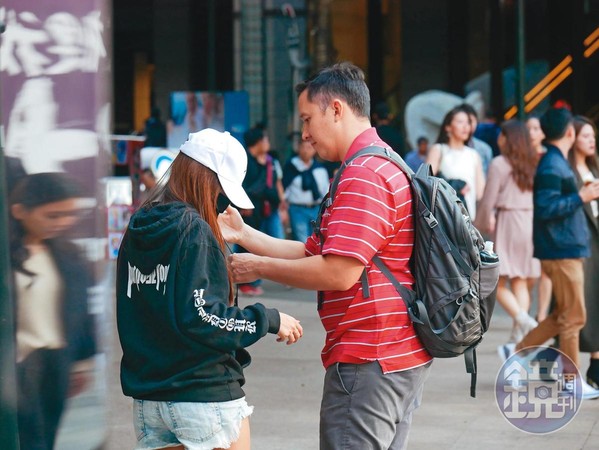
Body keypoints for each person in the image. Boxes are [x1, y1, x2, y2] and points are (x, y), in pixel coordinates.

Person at [221, 62, 432, 449]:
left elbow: (338, 272)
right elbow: (314, 251)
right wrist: (245, 235)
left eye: (307, 119)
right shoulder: (379, 161)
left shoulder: (363, 174)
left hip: (370, 353)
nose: (304, 134)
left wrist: (256, 268)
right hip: (392, 350)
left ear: (335, 109)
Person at [116, 129, 303, 450]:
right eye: (222, 191)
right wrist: (268, 319)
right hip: (203, 395)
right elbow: (203, 316)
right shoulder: (194, 232)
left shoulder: (141, 226)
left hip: (149, 400)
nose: (222, 202)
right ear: (209, 182)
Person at [500, 108, 599, 399]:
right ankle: (571, 380)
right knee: (573, 318)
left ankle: (517, 355)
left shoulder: (555, 163)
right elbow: (546, 209)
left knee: (562, 316)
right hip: (561, 250)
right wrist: (582, 196)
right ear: (569, 132)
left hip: (566, 248)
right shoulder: (553, 166)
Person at [9, 173, 97, 450]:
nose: (62, 223)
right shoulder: (7, 257)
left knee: (47, 438)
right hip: (17, 367)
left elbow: (80, 311)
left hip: (56, 362)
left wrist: (82, 361)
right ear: (19, 211)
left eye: (68, 215)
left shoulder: (67, 254)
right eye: (53, 215)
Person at [475, 120, 539, 346]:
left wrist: (480, 222)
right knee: (519, 280)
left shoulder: (500, 163)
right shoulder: (532, 161)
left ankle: (523, 320)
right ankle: (519, 334)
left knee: (498, 282)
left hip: (509, 221)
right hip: (529, 221)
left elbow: (489, 198)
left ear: (508, 138)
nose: (499, 139)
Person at [567, 116, 599, 389]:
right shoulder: (568, 172)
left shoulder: (594, 168)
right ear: (572, 137)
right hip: (581, 245)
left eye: (593, 136)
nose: (591, 140)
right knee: (582, 304)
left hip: (596, 242)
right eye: (586, 135)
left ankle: (595, 364)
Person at [237, 126, 287, 296]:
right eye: (265, 140)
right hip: (249, 210)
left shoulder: (268, 161)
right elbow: (240, 185)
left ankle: (252, 280)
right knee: (246, 245)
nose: (268, 143)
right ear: (258, 142)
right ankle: (244, 282)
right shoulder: (244, 160)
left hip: (265, 209)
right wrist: (243, 203)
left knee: (265, 243)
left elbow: (275, 183)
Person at [427, 105, 485, 220]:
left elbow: (480, 193)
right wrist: (454, 184)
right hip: (445, 218)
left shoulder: (473, 155)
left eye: (468, 123)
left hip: (469, 219)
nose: (465, 127)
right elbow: (426, 182)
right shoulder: (439, 150)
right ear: (448, 127)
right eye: (460, 122)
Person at [525, 115, 552, 322]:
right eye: (529, 128)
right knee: (528, 273)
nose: (532, 132)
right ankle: (526, 314)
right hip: (523, 216)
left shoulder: (549, 157)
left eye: (536, 128)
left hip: (542, 215)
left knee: (543, 271)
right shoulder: (519, 155)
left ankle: (542, 314)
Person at [282, 140, 330, 243]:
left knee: (316, 241)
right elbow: (284, 189)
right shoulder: (291, 166)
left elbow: (325, 191)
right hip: (297, 209)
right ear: (298, 148)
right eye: (303, 147)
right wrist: (283, 208)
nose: (305, 151)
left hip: (316, 209)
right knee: (302, 241)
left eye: (309, 148)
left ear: (314, 150)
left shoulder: (319, 169)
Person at [460, 103, 493, 175]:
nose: (466, 126)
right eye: (462, 122)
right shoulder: (443, 149)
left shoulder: (484, 149)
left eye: (470, 121)